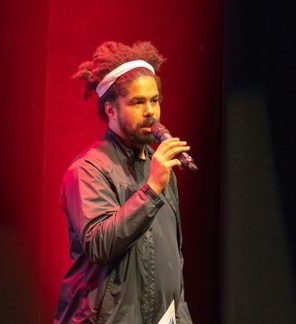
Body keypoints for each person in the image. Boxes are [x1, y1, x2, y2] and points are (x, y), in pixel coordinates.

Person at [54, 41, 193, 324]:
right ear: (111, 110)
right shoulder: (88, 169)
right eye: (137, 102)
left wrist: (181, 317)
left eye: (154, 100)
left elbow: (172, 260)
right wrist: (152, 189)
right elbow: (100, 245)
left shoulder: (161, 169)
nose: (150, 112)